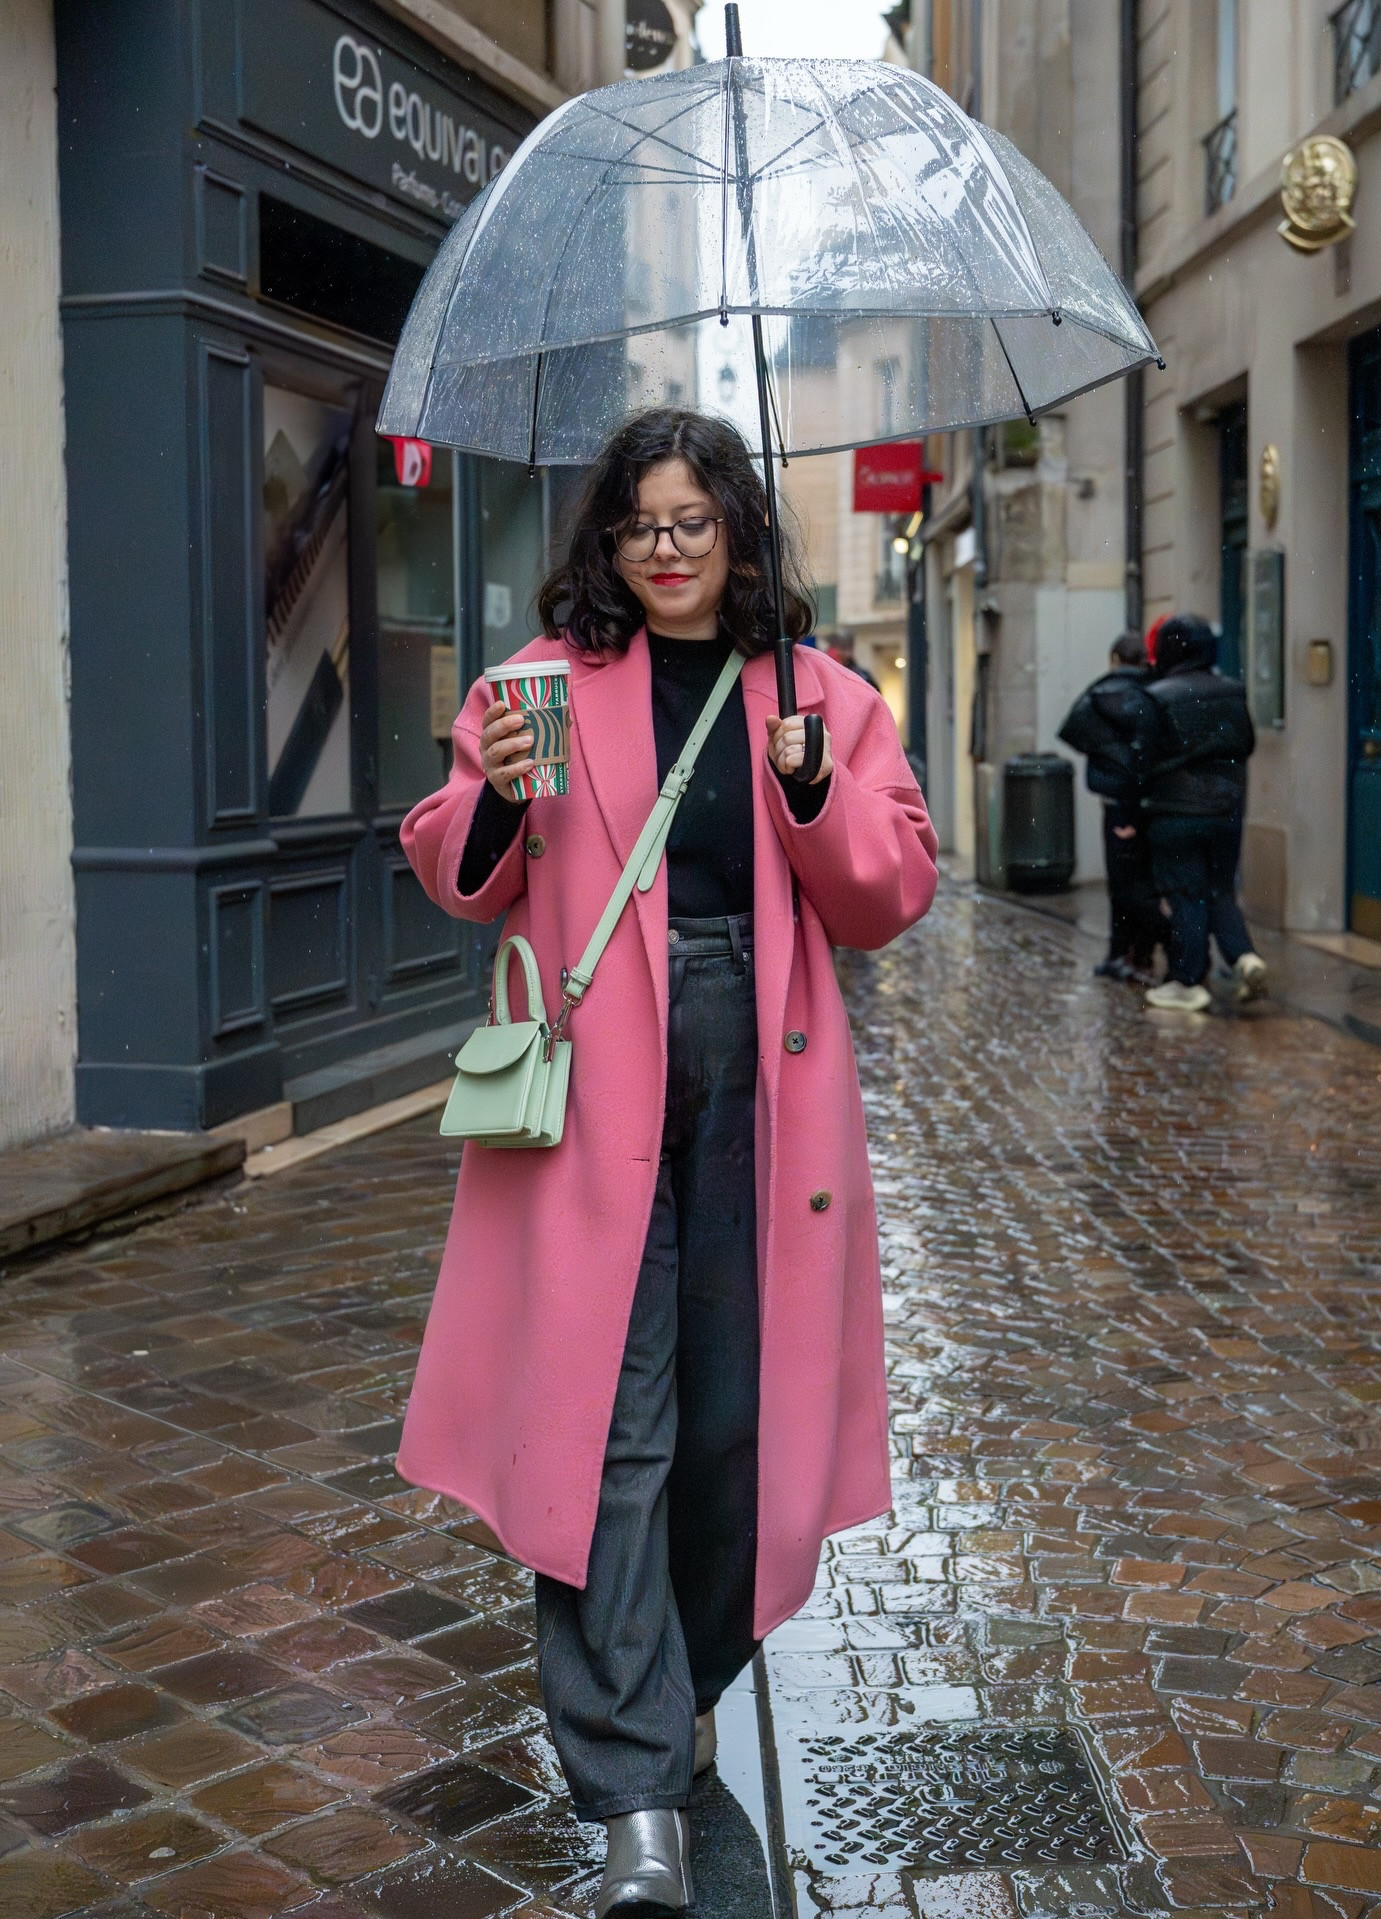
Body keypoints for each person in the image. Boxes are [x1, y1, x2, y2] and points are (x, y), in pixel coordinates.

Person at [398, 408, 938, 1915]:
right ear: (606, 540)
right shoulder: (538, 683)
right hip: (595, 1092)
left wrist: (815, 790)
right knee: (610, 1430)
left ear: (739, 530)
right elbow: (451, 862)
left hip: (763, 1082)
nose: (667, 549)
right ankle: (635, 1784)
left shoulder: (818, 692)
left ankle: (678, 1676)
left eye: (694, 520)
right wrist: (501, 791)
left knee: (734, 1424)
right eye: (640, 525)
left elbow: (893, 891)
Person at [1136, 612, 1267, 1013]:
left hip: (1175, 811)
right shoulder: (1232, 691)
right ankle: (1245, 957)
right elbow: (1246, 743)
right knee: (1221, 890)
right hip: (1226, 807)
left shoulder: (1158, 696)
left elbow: (1141, 758)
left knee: (1186, 894)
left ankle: (1186, 982)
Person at [1058, 631, 1166, 982]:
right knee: (1145, 881)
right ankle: (1142, 953)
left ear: (1115, 660)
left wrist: (1105, 752)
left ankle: (1123, 952)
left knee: (1121, 884)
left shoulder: (1099, 694)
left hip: (1115, 799)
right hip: (1151, 799)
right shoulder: (1156, 692)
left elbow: (1072, 731)